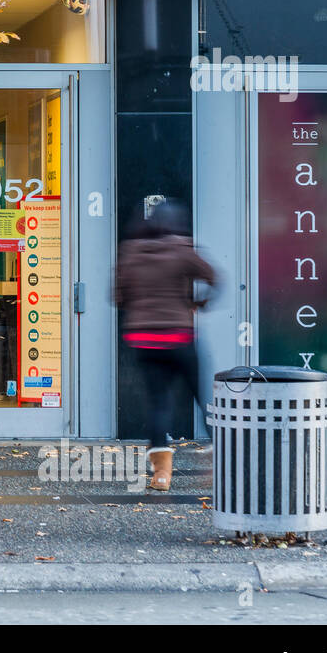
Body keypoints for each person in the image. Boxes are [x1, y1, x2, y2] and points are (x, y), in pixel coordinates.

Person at [112, 200, 217, 491]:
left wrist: (141, 307)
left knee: (158, 405)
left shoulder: (130, 252)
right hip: (178, 337)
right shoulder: (182, 249)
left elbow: (118, 297)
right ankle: (218, 457)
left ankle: (161, 476)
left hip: (144, 340)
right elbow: (213, 277)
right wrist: (197, 303)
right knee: (202, 397)